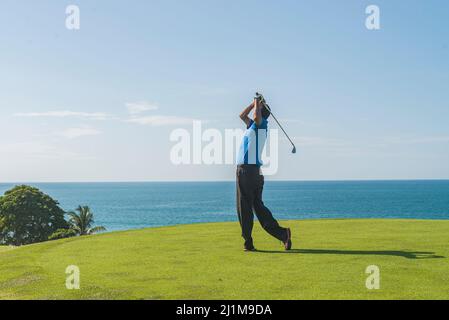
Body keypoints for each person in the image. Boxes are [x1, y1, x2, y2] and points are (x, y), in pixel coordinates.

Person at [236, 95, 292, 252]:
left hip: (247, 171)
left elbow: (255, 116)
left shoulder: (260, 125)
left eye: (259, 109)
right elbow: (242, 116)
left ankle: (248, 242)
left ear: (261, 113)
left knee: (244, 206)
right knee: (257, 207)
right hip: (253, 172)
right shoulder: (253, 126)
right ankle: (283, 234)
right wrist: (254, 103)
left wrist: (257, 103)